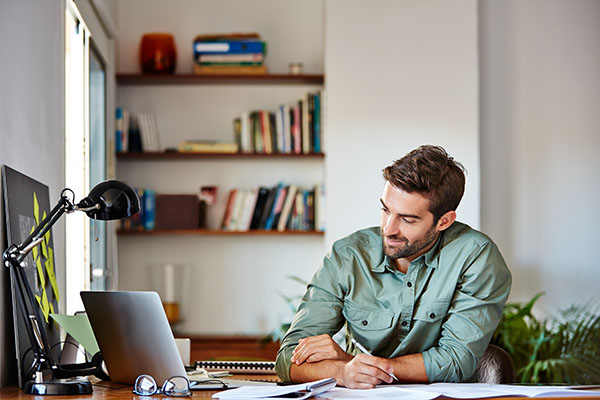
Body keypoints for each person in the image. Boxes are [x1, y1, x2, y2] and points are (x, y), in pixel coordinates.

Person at [275, 145, 512, 389]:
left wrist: (356, 363)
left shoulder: (476, 257)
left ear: (444, 221)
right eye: (385, 210)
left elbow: (455, 361)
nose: (388, 229)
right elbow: (287, 360)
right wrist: (342, 371)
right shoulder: (348, 256)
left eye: (408, 219)